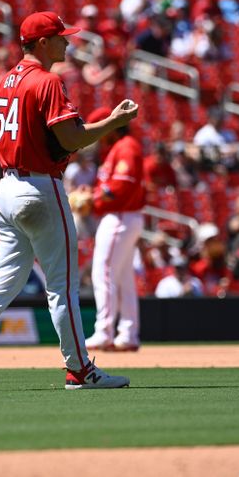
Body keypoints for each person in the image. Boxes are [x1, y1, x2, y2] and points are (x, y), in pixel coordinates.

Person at [0, 11, 139, 391]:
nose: (68, 42)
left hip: (7, 187)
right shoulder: (47, 81)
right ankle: (80, 370)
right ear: (43, 43)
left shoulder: (5, 82)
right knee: (61, 285)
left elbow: (4, 138)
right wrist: (114, 121)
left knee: (4, 280)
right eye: (61, 37)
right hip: (40, 187)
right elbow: (71, 139)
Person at [84, 107, 146, 352]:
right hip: (125, 216)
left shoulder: (126, 146)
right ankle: (128, 334)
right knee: (122, 278)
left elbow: (122, 185)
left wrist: (93, 197)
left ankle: (104, 332)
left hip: (120, 216)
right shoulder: (119, 148)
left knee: (103, 272)